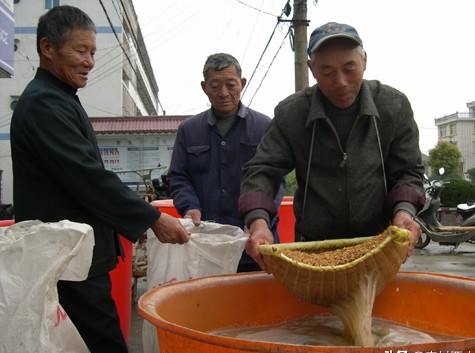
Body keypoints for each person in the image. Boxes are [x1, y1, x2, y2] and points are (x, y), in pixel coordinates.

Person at [10, 6, 190, 353]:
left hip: (75, 256)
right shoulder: (43, 103)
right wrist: (153, 218)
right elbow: (87, 176)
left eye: (93, 52)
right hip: (69, 262)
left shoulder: (60, 97)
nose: (89, 61)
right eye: (80, 51)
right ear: (48, 47)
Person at [238, 21, 425, 271]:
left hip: (378, 245)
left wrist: (404, 212)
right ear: (312, 69)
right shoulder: (292, 114)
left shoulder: (393, 106)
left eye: (350, 68)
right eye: (327, 72)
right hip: (313, 249)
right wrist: (258, 221)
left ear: (365, 61)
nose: (341, 82)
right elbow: (261, 170)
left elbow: (408, 172)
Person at [166, 53, 285, 273]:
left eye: (230, 85)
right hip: (207, 246)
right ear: (204, 87)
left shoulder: (264, 126)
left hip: (255, 243)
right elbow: (179, 176)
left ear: (242, 83)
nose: (223, 93)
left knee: (256, 302)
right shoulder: (189, 130)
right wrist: (189, 206)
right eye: (215, 86)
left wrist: (259, 218)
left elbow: (275, 178)